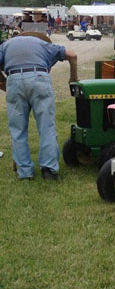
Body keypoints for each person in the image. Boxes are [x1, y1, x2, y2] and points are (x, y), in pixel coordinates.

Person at [0, 32, 78, 180]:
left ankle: (25, 173)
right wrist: (73, 77)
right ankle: (48, 171)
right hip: (39, 78)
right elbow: (72, 55)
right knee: (46, 126)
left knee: (18, 129)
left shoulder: (6, 45)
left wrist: (3, 81)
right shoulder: (44, 44)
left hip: (14, 78)